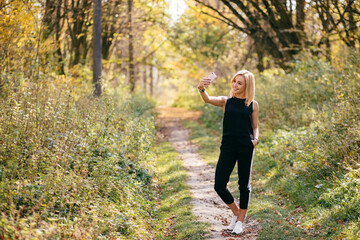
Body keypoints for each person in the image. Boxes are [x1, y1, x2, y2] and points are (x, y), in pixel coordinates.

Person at [197, 70, 259, 235]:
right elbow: (208, 99)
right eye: (234, 81)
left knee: (243, 185)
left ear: (247, 86)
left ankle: (240, 222)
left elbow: (255, 126)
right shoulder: (226, 101)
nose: (235, 85)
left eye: (240, 83)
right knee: (219, 185)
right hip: (228, 147)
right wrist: (202, 89)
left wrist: (255, 140)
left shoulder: (253, 104)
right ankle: (237, 213)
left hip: (246, 146)